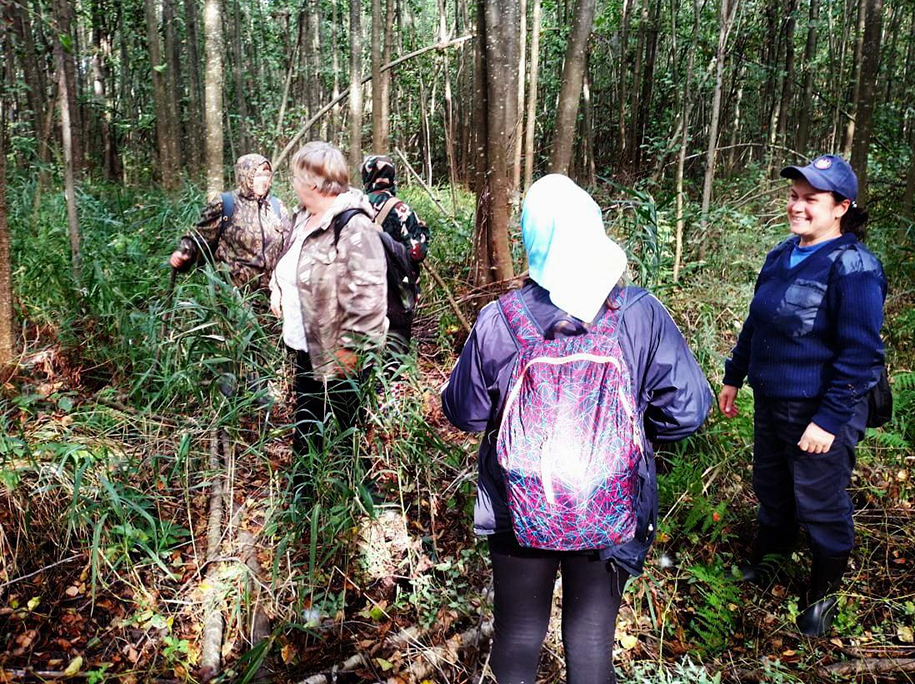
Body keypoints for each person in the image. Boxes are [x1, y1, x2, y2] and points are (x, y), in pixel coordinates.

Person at [442, 174, 712, 684]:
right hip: (610, 501)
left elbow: (465, 413)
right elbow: (688, 410)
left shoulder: (501, 320)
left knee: (518, 635)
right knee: (591, 643)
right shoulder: (639, 313)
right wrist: (629, 434)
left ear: (531, 239)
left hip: (518, 505)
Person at [719, 154, 887, 637]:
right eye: (794, 197)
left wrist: (829, 421)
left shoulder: (853, 267)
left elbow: (861, 356)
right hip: (773, 400)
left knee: (818, 496)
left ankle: (823, 591)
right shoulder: (780, 255)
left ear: (841, 207)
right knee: (772, 486)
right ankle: (769, 562)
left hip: (820, 407)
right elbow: (757, 323)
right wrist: (735, 376)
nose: (797, 206)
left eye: (811, 199)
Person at [269, 142, 387, 463]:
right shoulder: (302, 218)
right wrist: (277, 290)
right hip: (304, 345)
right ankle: (305, 490)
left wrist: (351, 353)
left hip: (339, 355)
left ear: (313, 183)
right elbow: (287, 264)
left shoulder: (353, 225)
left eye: (295, 177)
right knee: (307, 421)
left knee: (347, 429)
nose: (291, 183)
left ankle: (353, 491)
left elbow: (371, 298)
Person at [169, 153, 289, 292]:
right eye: (257, 175)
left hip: (270, 299)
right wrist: (184, 252)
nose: (263, 180)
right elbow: (199, 237)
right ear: (245, 175)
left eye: (267, 175)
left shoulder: (277, 206)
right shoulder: (226, 203)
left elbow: (290, 244)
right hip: (233, 299)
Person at [360, 154, 430, 353]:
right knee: (396, 346)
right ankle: (393, 378)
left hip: (363, 287)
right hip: (398, 289)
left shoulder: (356, 207)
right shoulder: (402, 209)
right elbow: (418, 253)